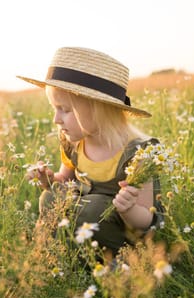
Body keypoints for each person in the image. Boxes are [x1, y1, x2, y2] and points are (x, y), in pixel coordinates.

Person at [17, 47, 162, 258]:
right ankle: (52, 251)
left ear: (98, 110)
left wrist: (128, 208)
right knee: (51, 195)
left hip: (123, 237)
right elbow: (64, 180)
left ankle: (118, 265)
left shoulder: (138, 154)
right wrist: (48, 179)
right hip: (83, 224)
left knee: (94, 209)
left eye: (64, 110)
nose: (56, 119)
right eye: (54, 109)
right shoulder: (73, 141)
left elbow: (147, 220)